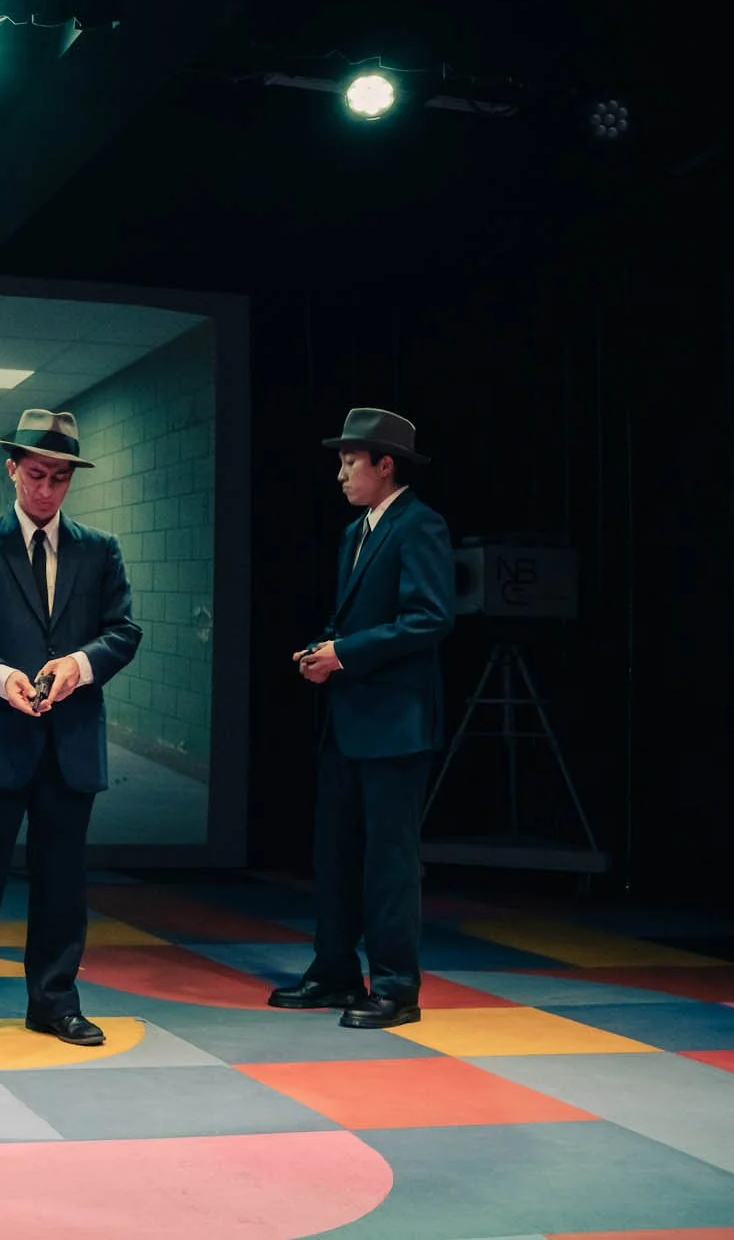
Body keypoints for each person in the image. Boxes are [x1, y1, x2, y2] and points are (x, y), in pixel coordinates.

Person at [0, 409, 142, 1050]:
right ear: (12, 470)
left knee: (62, 883)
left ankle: (54, 1003)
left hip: (70, 744)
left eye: (59, 478)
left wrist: (79, 666)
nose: (46, 490)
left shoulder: (99, 550)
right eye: (36, 474)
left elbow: (123, 631)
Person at [270, 407, 455, 1029]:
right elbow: (350, 619)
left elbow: (429, 619)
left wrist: (343, 654)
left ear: (386, 465)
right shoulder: (358, 531)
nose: (342, 474)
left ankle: (397, 988)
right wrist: (322, 649)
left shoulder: (420, 525)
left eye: (351, 462)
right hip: (348, 721)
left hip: (397, 724)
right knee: (336, 854)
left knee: (389, 862)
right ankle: (334, 971)